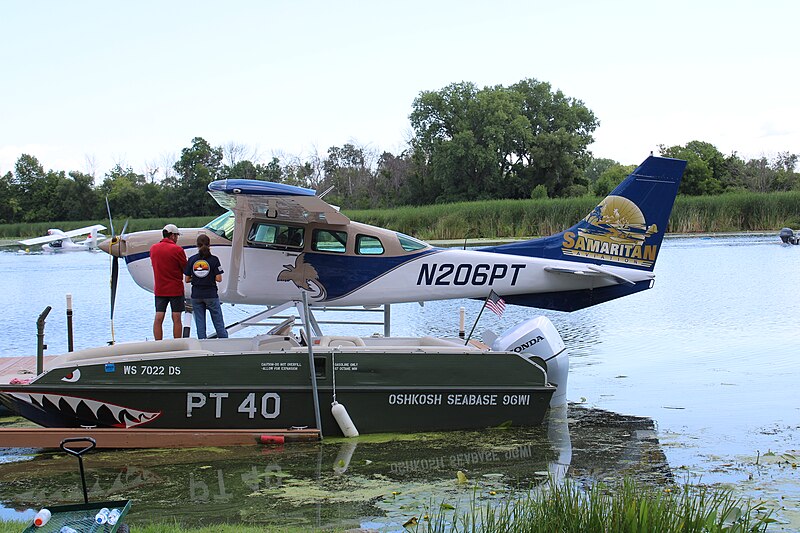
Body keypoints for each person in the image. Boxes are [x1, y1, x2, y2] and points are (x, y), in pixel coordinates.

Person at [184, 233, 228, 339]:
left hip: (196, 295)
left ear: (197, 246)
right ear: (209, 245)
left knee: (200, 324)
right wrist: (209, 276)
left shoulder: (192, 260)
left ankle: (202, 345)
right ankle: (225, 343)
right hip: (211, 294)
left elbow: (186, 279)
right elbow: (219, 278)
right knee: (218, 323)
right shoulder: (214, 259)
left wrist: (197, 278)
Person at [150, 223, 187, 340]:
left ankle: (158, 343)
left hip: (160, 289)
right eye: (176, 236)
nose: (177, 239)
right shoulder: (177, 250)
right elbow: (185, 268)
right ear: (172, 235)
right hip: (175, 289)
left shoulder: (153, 249)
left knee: (159, 317)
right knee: (176, 318)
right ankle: (177, 343)